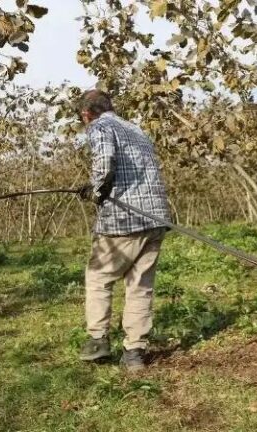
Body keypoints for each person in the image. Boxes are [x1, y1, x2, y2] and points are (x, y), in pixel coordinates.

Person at [76, 89, 171, 371]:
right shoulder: (135, 129)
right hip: (155, 218)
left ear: (86, 114)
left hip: (123, 220)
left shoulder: (100, 126)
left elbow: (105, 164)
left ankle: (97, 340)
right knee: (140, 285)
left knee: (98, 277)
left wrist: (94, 192)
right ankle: (134, 354)